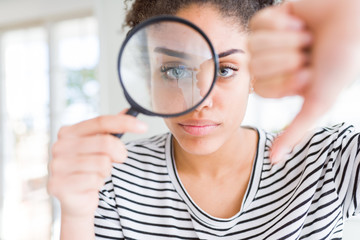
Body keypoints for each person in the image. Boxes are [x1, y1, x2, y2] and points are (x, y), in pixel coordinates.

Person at [47, 0, 360, 239]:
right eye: (175, 70)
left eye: (225, 70)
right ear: (149, 76)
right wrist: (75, 216)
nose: (199, 102)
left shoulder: (330, 159)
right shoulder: (109, 175)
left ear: (256, 74)